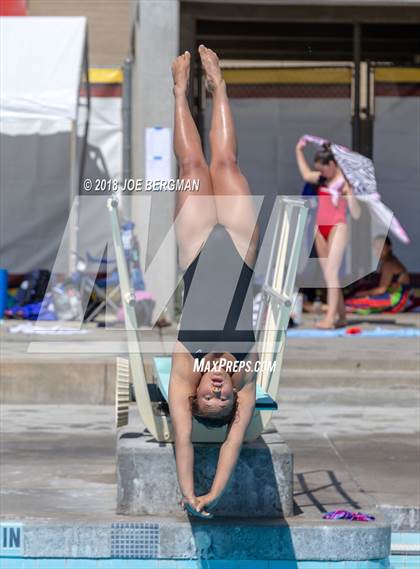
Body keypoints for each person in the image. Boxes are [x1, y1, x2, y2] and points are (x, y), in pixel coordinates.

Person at [168, 46, 260, 518]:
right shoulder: (244, 376)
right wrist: (218, 491)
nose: (219, 391)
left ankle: (180, 92)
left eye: (209, 396)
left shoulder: (185, 369)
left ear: (195, 393)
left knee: (193, 170)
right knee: (227, 164)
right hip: (241, 252)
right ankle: (219, 84)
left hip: (198, 249)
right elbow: (231, 445)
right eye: (223, 399)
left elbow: (184, 440)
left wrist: (192, 490)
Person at [295, 139, 360, 329]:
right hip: (320, 228)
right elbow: (307, 175)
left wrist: (350, 194)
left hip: (337, 227)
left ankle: (330, 318)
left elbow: (356, 213)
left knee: (332, 273)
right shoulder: (323, 179)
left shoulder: (344, 183)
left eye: (323, 169)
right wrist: (299, 150)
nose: (321, 173)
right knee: (328, 275)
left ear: (332, 164)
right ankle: (342, 316)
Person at [345, 235, 412, 314]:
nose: (378, 250)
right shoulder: (387, 261)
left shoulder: (389, 264)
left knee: (353, 302)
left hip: (395, 300)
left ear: (389, 247)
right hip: (395, 297)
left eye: (381, 246)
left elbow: (381, 290)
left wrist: (361, 294)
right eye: (375, 247)